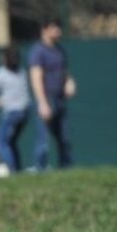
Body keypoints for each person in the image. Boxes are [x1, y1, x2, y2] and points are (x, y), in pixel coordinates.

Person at [28, 18, 77, 170]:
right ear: (44, 30)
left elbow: (64, 72)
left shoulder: (59, 50)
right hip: (47, 98)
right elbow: (35, 77)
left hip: (59, 98)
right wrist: (42, 103)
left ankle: (66, 166)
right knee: (43, 139)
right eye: (54, 27)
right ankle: (41, 167)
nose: (58, 31)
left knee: (64, 137)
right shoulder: (38, 51)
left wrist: (69, 82)